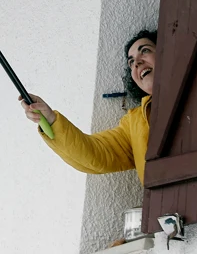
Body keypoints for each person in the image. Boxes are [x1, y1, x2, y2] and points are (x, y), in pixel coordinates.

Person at [20, 30, 157, 184]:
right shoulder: (135, 123)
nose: (137, 63)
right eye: (131, 62)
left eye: (145, 51)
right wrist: (50, 119)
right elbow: (95, 155)